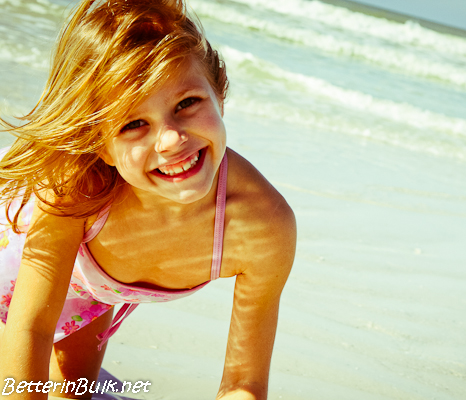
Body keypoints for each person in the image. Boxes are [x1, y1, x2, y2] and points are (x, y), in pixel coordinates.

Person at [0, 0, 296, 398]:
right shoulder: (77, 186)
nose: (172, 140)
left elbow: (244, 383)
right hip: (18, 261)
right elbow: (30, 326)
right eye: (134, 124)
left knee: (73, 393)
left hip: (92, 296)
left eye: (187, 103)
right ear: (99, 146)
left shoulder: (261, 228)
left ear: (219, 93)